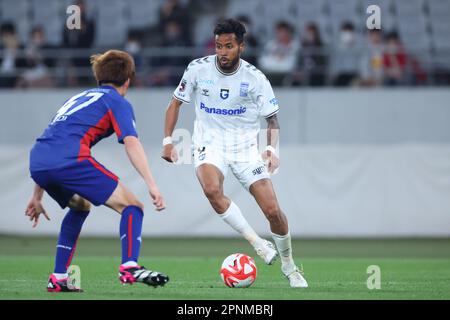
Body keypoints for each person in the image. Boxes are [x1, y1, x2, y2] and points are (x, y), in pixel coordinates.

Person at [161, 19, 308, 288]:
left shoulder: (255, 79)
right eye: (219, 46)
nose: (223, 52)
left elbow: (272, 121)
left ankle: (290, 266)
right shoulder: (197, 69)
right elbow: (175, 103)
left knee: (273, 211)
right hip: (209, 144)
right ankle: (257, 243)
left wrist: (270, 150)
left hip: (245, 149)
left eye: (229, 46)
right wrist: (168, 140)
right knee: (211, 190)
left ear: (241, 46)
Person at [25, 50, 169, 292]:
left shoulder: (77, 98)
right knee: (133, 207)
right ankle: (130, 266)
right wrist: (152, 185)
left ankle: (59, 277)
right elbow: (131, 142)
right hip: (70, 161)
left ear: (99, 78)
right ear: (128, 81)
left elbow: (53, 138)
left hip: (39, 161)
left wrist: (37, 195)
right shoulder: (117, 101)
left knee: (80, 206)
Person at [258, 21, 300, 86]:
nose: (281, 34)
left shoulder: (295, 44)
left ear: (288, 32)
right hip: (272, 68)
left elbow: (292, 61)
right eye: (279, 32)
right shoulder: (271, 44)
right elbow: (263, 60)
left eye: (283, 32)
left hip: (287, 68)